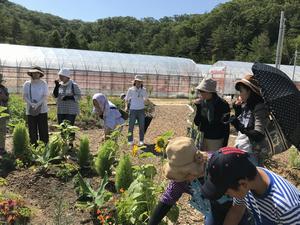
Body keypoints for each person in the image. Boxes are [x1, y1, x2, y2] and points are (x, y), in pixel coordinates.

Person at [148, 137, 250, 225]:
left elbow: (243, 192)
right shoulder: (181, 180)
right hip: (212, 210)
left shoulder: (219, 164)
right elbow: (167, 200)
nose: (186, 179)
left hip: (237, 205)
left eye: (187, 174)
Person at [201, 147, 300, 225]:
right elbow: (237, 210)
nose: (226, 195)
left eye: (226, 191)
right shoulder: (248, 179)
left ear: (243, 184)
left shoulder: (287, 207)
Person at [230, 74, 269, 165]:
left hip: (251, 154)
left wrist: (239, 126)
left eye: (241, 91)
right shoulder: (248, 105)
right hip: (242, 148)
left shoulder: (259, 107)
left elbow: (258, 134)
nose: (239, 94)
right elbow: (243, 128)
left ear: (249, 91)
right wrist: (237, 109)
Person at [193, 78, 230, 153]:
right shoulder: (202, 103)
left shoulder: (222, 104)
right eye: (200, 91)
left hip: (216, 140)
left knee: (212, 161)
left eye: (202, 91)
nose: (201, 93)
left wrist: (225, 143)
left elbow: (226, 125)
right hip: (202, 137)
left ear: (210, 92)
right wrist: (198, 108)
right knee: (201, 160)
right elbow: (197, 122)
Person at [23, 66, 49, 145]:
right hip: (31, 109)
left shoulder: (43, 83)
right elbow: (25, 96)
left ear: (40, 74)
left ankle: (44, 146)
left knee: (43, 128)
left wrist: (37, 104)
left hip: (42, 109)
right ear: (31, 74)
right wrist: (32, 104)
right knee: (32, 129)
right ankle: (34, 146)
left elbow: (45, 96)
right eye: (33, 73)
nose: (35, 74)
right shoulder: (27, 84)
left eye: (37, 73)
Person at [124, 75, 148, 146]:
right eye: (137, 81)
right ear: (135, 82)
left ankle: (141, 140)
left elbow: (146, 99)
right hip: (133, 110)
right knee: (131, 126)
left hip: (141, 110)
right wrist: (126, 107)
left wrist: (144, 100)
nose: (138, 83)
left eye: (140, 82)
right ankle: (130, 140)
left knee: (141, 126)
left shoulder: (144, 90)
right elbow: (126, 99)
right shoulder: (130, 89)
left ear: (141, 83)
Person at [0, 73, 9, 155]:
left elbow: (6, 99)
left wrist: (3, 96)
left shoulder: (4, 89)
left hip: (2, 113)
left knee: (2, 130)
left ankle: (1, 148)